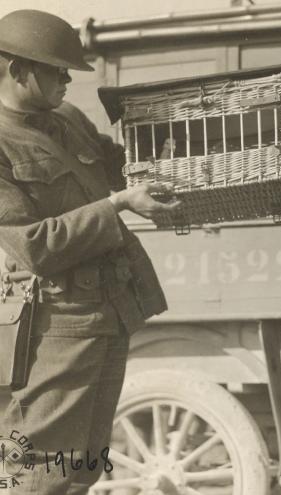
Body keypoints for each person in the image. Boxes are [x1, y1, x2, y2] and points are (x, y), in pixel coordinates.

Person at [0, 9, 180, 494]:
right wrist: (119, 203)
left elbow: (120, 166)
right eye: (57, 72)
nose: (67, 82)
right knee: (41, 472)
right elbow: (34, 246)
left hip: (107, 314)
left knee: (83, 470)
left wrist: (159, 152)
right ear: (17, 71)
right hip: (52, 330)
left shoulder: (68, 120)